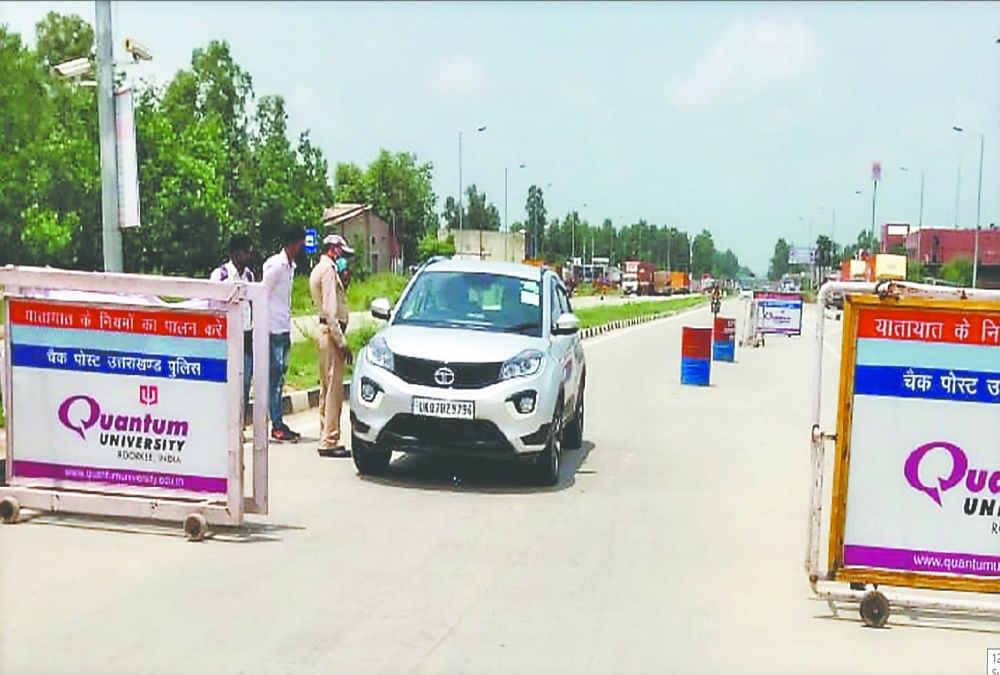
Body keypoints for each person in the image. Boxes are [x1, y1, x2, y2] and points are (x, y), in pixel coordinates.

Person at [309, 234, 354, 457]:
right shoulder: (328, 271)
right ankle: (330, 439)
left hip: (325, 332)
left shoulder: (319, 268)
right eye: (342, 253)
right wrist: (342, 341)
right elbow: (330, 310)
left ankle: (325, 434)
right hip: (330, 332)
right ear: (334, 250)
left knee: (326, 387)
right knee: (334, 389)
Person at [262, 226, 306, 443]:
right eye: (301, 242)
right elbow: (262, 294)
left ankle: (278, 422)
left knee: (279, 378)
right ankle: (276, 424)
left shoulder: (291, 267)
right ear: (294, 242)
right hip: (271, 330)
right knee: (274, 380)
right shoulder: (275, 266)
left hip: (284, 328)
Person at [210, 233, 255, 415]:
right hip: (227, 336)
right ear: (236, 253)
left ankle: (240, 424)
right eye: (246, 252)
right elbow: (213, 307)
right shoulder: (221, 275)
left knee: (244, 383)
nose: (249, 256)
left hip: (246, 334)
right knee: (229, 384)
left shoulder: (249, 276)